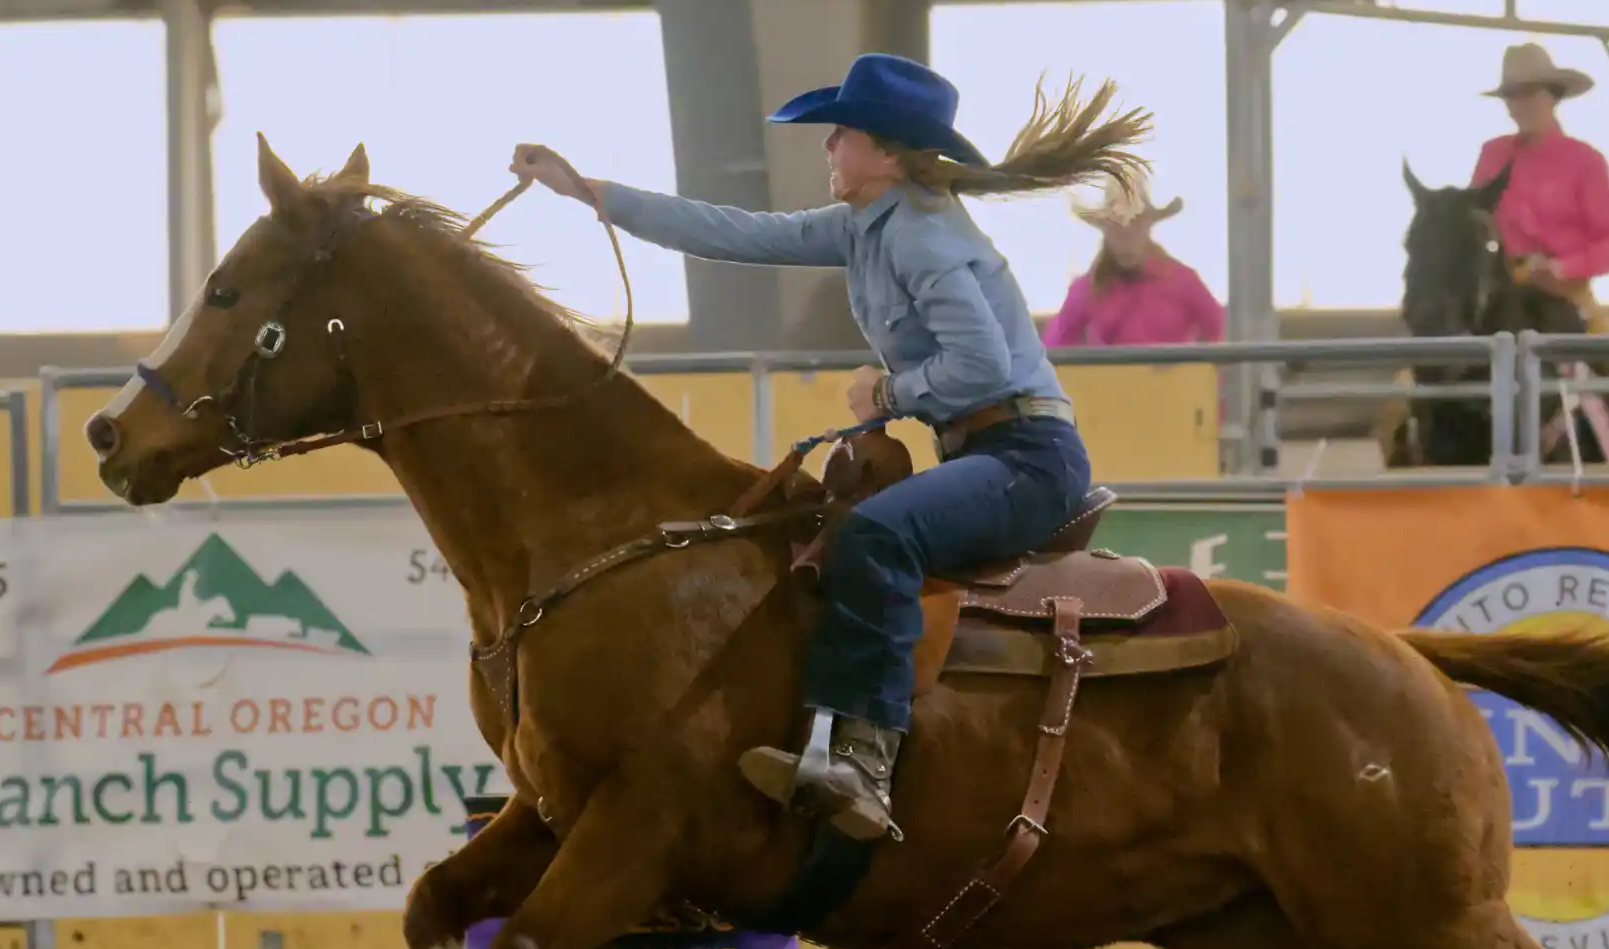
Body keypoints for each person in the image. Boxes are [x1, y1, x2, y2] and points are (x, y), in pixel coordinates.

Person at [513, 52, 1143, 842]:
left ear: (886, 153)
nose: (828, 145)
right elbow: (737, 232)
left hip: (1029, 461)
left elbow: (982, 365)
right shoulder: (868, 227)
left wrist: (887, 394)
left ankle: (864, 763)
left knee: (875, 534)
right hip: (995, 453)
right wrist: (592, 193)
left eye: (841, 132)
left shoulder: (923, 239)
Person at [1471, 43, 1609, 336]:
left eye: (1530, 93)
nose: (1520, 104)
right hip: (1498, 294)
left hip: (1567, 297)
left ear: (1553, 95)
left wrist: (1561, 268)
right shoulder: (1492, 154)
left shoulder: (1586, 162)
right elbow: (1472, 223)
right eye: (1513, 95)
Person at [1041, 182, 1222, 348]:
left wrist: (1205, 371)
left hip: (1174, 374)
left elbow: (1222, 332)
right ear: (1105, 229)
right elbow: (1055, 347)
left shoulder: (1183, 281)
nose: (1126, 230)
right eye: (1116, 221)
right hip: (1111, 375)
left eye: (1135, 220)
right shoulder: (1087, 289)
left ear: (1148, 225)